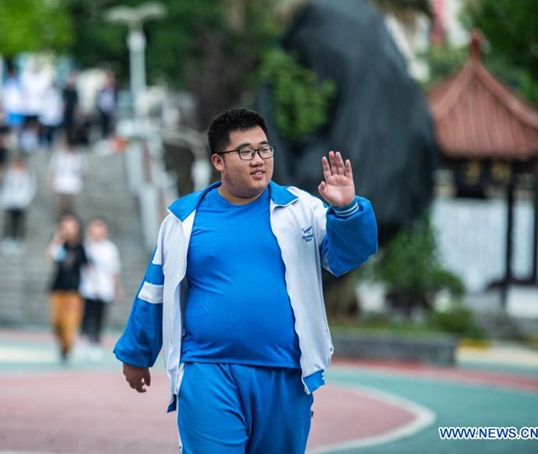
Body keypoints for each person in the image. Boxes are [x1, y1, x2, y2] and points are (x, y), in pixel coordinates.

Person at [114, 108, 378, 453]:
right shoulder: (184, 219)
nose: (259, 160)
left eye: (264, 149)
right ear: (218, 161)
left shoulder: (300, 209)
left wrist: (345, 211)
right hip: (207, 370)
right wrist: (136, 354)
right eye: (245, 151)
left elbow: (348, 255)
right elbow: (155, 290)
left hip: (286, 374)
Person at [45, 212, 88, 363]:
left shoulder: (81, 247)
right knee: (56, 322)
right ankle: (64, 345)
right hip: (57, 288)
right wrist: (58, 238)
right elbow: (51, 256)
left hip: (74, 291)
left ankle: (68, 348)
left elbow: (87, 267)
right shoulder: (59, 244)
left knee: (69, 322)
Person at [79, 217, 123, 360]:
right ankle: (83, 341)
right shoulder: (85, 246)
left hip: (104, 289)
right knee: (85, 316)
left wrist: (117, 288)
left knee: (99, 317)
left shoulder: (110, 248)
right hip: (87, 288)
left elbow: (115, 270)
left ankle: (96, 343)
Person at [0, 157, 36, 254]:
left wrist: (27, 199)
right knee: (9, 221)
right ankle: (7, 239)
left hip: (21, 201)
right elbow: (3, 187)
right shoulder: (8, 174)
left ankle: (19, 239)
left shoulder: (27, 175)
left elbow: (31, 188)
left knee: (19, 222)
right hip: (10, 201)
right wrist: (3, 199)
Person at [47, 142, 87, 215]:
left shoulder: (79, 156)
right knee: (61, 205)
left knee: (71, 206)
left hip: (73, 184)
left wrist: (82, 181)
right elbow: (52, 170)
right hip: (61, 184)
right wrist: (50, 183)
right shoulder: (58, 155)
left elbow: (83, 171)